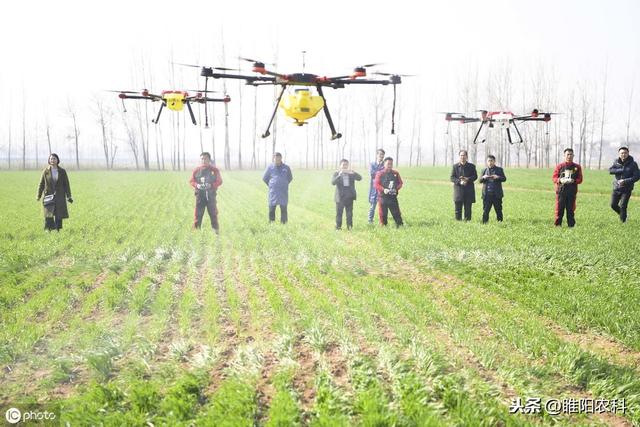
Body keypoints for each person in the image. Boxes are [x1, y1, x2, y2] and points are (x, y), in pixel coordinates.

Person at [36, 153, 73, 231]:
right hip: (48, 195)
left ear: (57, 160)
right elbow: (41, 184)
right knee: (48, 213)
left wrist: (68, 195)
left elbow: (66, 184)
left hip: (59, 195)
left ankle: (58, 229)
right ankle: (48, 229)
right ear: (49, 160)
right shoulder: (45, 171)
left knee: (58, 213)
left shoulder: (62, 171)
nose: (52, 160)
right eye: (51, 159)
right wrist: (38, 195)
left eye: (54, 159)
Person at [189, 152, 222, 232]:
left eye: (205, 159)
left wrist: (211, 185)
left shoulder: (214, 170)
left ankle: (216, 232)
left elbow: (219, 181)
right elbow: (191, 181)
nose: (204, 160)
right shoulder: (196, 170)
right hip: (200, 197)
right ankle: (196, 232)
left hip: (211, 196)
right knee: (198, 215)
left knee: (213, 214)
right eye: (202, 159)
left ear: (209, 160)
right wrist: (197, 185)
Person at [552, 148, 583, 227]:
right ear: (564, 156)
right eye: (567, 154)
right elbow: (554, 178)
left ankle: (571, 226)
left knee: (570, 210)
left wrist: (574, 181)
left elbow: (580, 179)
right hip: (561, 192)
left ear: (573, 155)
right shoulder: (560, 166)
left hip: (572, 192)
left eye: (571, 154)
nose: (569, 156)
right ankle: (558, 225)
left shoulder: (577, 167)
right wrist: (560, 180)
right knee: (559, 210)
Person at [608, 146, 640, 223]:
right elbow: (610, 170)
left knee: (623, 206)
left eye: (625, 153)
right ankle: (624, 215)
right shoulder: (616, 162)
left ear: (628, 153)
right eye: (622, 153)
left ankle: (623, 222)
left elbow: (637, 177)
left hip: (627, 189)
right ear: (619, 154)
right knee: (613, 205)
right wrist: (621, 170)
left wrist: (625, 181)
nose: (623, 154)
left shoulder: (633, 164)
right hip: (616, 188)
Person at [331, 159, 362, 230]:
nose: (345, 166)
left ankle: (349, 227)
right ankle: (338, 227)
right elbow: (333, 182)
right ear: (340, 166)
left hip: (349, 197)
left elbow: (360, 178)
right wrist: (339, 175)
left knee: (349, 214)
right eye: (343, 165)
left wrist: (354, 173)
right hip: (340, 197)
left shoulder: (350, 173)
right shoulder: (336, 173)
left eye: (346, 165)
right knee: (339, 214)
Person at [263, 152, 293, 224]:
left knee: (283, 209)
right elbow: (265, 178)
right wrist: (272, 185)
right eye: (276, 159)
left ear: (281, 158)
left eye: (279, 159)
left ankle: (284, 224)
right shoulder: (270, 167)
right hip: (273, 192)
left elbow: (290, 178)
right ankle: (271, 223)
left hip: (283, 192)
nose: (277, 160)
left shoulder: (286, 168)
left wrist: (284, 184)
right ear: (274, 159)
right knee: (272, 208)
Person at [374, 157, 404, 227]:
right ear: (384, 164)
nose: (390, 166)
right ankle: (383, 226)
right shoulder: (380, 173)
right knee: (383, 213)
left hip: (393, 197)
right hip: (383, 197)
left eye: (391, 164)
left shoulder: (395, 173)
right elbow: (376, 184)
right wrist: (383, 189)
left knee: (396, 213)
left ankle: (400, 225)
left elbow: (400, 183)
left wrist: (396, 189)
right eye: (388, 164)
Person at [450, 150, 478, 221]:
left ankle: (467, 223)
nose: (462, 157)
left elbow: (475, 176)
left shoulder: (472, 166)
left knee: (468, 210)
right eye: (461, 155)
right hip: (458, 191)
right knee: (457, 210)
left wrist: (467, 179)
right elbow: (452, 177)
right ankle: (458, 223)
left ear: (467, 156)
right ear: (459, 157)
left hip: (469, 191)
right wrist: (459, 181)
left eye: (464, 155)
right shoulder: (455, 166)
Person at [479, 155, 507, 223]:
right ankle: (484, 223)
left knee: (498, 210)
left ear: (494, 161)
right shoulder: (484, 170)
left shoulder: (499, 169)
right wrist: (483, 177)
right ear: (486, 162)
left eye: (491, 161)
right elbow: (479, 181)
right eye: (488, 161)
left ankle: (500, 223)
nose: (490, 162)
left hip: (496, 195)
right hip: (487, 195)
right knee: (485, 211)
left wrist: (497, 177)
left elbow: (504, 179)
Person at [367, 148, 386, 224]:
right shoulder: (372, 164)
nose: (381, 156)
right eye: (380, 154)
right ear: (377, 155)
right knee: (373, 205)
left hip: (382, 187)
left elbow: (385, 174)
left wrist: (379, 173)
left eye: (382, 155)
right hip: (374, 188)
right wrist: (380, 172)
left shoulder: (385, 164)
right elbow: (372, 174)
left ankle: (383, 221)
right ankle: (370, 220)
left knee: (383, 205)